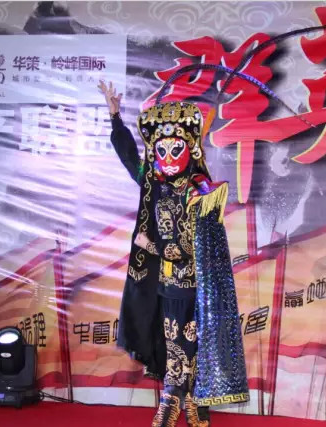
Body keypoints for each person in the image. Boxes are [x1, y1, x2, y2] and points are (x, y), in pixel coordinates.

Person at [98, 80, 249, 427]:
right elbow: (129, 158)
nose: (167, 158)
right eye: (161, 150)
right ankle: (173, 399)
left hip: (197, 286)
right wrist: (115, 118)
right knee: (172, 343)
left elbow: (187, 248)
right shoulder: (154, 183)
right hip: (166, 284)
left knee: (194, 344)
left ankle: (191, 401)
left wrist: (149, 245)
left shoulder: (201, 190)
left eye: (175, 149)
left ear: (190, 150)